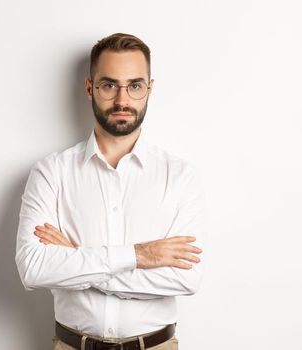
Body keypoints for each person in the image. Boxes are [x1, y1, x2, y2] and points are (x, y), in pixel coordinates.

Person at [14, 32, 208, 350]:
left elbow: (186, 278)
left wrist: (76, 260)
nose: (122, 100)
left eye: (134, 86)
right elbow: (34, 269)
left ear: (149, 89)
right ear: (90, 88)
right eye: (109, 85)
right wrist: (139, 256)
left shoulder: (179, 175)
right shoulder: (51, 172)